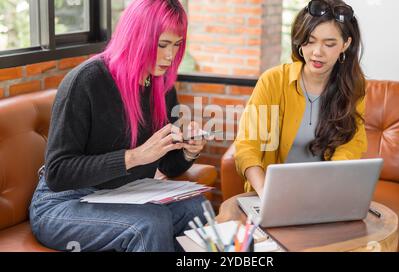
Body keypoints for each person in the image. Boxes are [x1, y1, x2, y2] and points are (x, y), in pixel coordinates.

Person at [29, 0, 208, 252]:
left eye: (177, 45)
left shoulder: (160, 85)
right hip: (63, 202)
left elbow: (166, 164)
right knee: (149, 223)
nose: (171, 56)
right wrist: (133, 157)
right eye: (162, 44)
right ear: (138, 37)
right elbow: (58, 173)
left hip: (122, 194)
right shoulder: (87, 80)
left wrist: (188, 150)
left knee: (197, 207)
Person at [234, 0, 367, 197]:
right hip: (272, 192)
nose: (317, 52)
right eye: (310, 41)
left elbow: (350, 147)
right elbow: (247, 146)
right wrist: (265, 191)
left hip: (323, 193)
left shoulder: (352, 88)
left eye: (329, 44)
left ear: (345, 44)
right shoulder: (273, 81)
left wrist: (330, 189)